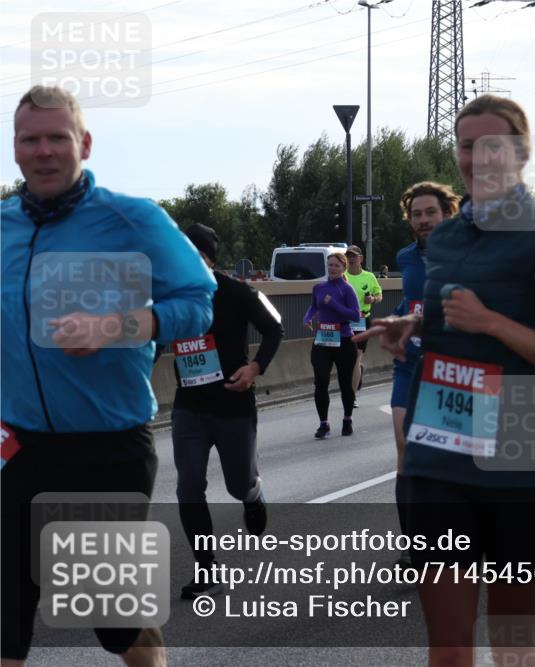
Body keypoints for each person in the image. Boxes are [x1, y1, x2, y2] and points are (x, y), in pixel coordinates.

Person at [356, 95, 535, 667]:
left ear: (520, 152)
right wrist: (412, 324)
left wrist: (493, 323)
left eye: (493, 145)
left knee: (511, 651)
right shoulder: (445, 238)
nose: (479, 158)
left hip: (526, 461)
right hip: (440, 453)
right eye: (468, 146)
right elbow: (448, 316)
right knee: (449, 646)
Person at [2, 85, 217, 666]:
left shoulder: (133, 219)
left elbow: (199, 303)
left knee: (108, 618)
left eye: (57, 138)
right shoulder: (2, 227)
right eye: (30, 139)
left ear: (85, 144)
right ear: (15, 148)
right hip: (18, 445)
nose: (43, 151)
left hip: (106, 448)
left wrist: (117, 326)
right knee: (7, 612)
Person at [169, 224, 284, 599]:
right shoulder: (168, 296)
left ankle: (253, 494)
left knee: (238, 484)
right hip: (189, 407)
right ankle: (207, 570)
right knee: (188, 487)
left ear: (209, 258)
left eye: (194, 254)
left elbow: (275, 328)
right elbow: (153, 342)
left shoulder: (238, 292)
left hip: (233, 404)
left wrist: (255, 369)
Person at [388, 180, 461, 568]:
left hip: (452, 368)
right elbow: (411, 301)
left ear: (447, 212)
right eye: (416, 214)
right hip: (410, 364)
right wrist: (399, 323)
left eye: (430, 212)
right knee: (404, 448)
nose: (423, 220)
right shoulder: (405, 257)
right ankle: (415, 546)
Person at [304, 252, 361, 437]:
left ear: (343, 268)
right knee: (320, 382)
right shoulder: (319, 287)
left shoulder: (347, 289)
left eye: (336, 265)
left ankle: (347, 419)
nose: (333, 268)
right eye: (330, 265)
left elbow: (354, 315)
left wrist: (334, 304)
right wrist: (308, 318)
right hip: (323, 339)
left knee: (345, 383)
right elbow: (314, 306)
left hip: (344, 339)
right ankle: (324, 424)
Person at [344, 245, 383, 406]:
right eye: (348, 256)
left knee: (356, 356)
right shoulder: (342, 276)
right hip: (344, 321)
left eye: (354, 256)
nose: (351, 259)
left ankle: (351, 397)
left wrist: (373, 299)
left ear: (360, 258)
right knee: (346, 358)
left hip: (362, 319)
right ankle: (358, 370)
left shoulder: (369, 277)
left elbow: (379, 295)